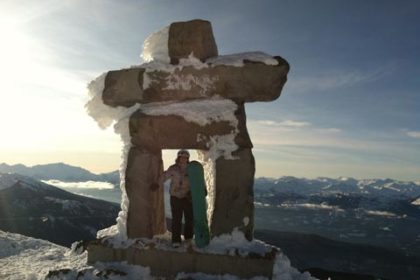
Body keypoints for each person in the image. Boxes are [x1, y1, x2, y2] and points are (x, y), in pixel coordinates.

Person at [160, 149, 193, 248]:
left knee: (189, 219)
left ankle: (188, 238)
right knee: (176, 219)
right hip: (176, 197)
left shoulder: (192, 169)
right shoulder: (173, 169)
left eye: (185, 157)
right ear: (178, 158)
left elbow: (197, 179)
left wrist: (202, 189)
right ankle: (176, 240)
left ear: (187, 159)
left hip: (188, 197)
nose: (183, 159)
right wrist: (155, 183)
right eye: (181, 157)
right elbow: (164, 177)